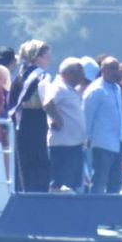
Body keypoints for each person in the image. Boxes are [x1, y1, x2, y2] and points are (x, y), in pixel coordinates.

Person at [9, 40, 54, 193]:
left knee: (24, 164)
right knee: (39, 164)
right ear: (37, 57)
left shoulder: (20, 76)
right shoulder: (42, 76)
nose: (49, 59)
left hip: (21, 123)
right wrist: (57, 119)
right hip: (36, 121)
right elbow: (47, 100)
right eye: (47, 56)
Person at [82, 56, 122, 194]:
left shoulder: (118, 89)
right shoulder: (95, 90)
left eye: (117, 69)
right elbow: (86, 115)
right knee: (99, 181)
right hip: (102, 143)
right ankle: (95, 211)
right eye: (112, 69)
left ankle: (113, 212)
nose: (116, 72)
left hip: (118, 141)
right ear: (103, 70)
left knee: (116, 181)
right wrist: (87, 139)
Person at [46, 58, 88, 192]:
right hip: (63, 145)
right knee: (59, 182)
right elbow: (48, 103)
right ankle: (56, 208)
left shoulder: (69, 89)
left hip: (73, 144)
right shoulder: (59, 87)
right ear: (68, 74)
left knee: (72, 184)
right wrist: (57, 119)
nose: (81, 78)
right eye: (78, 74)